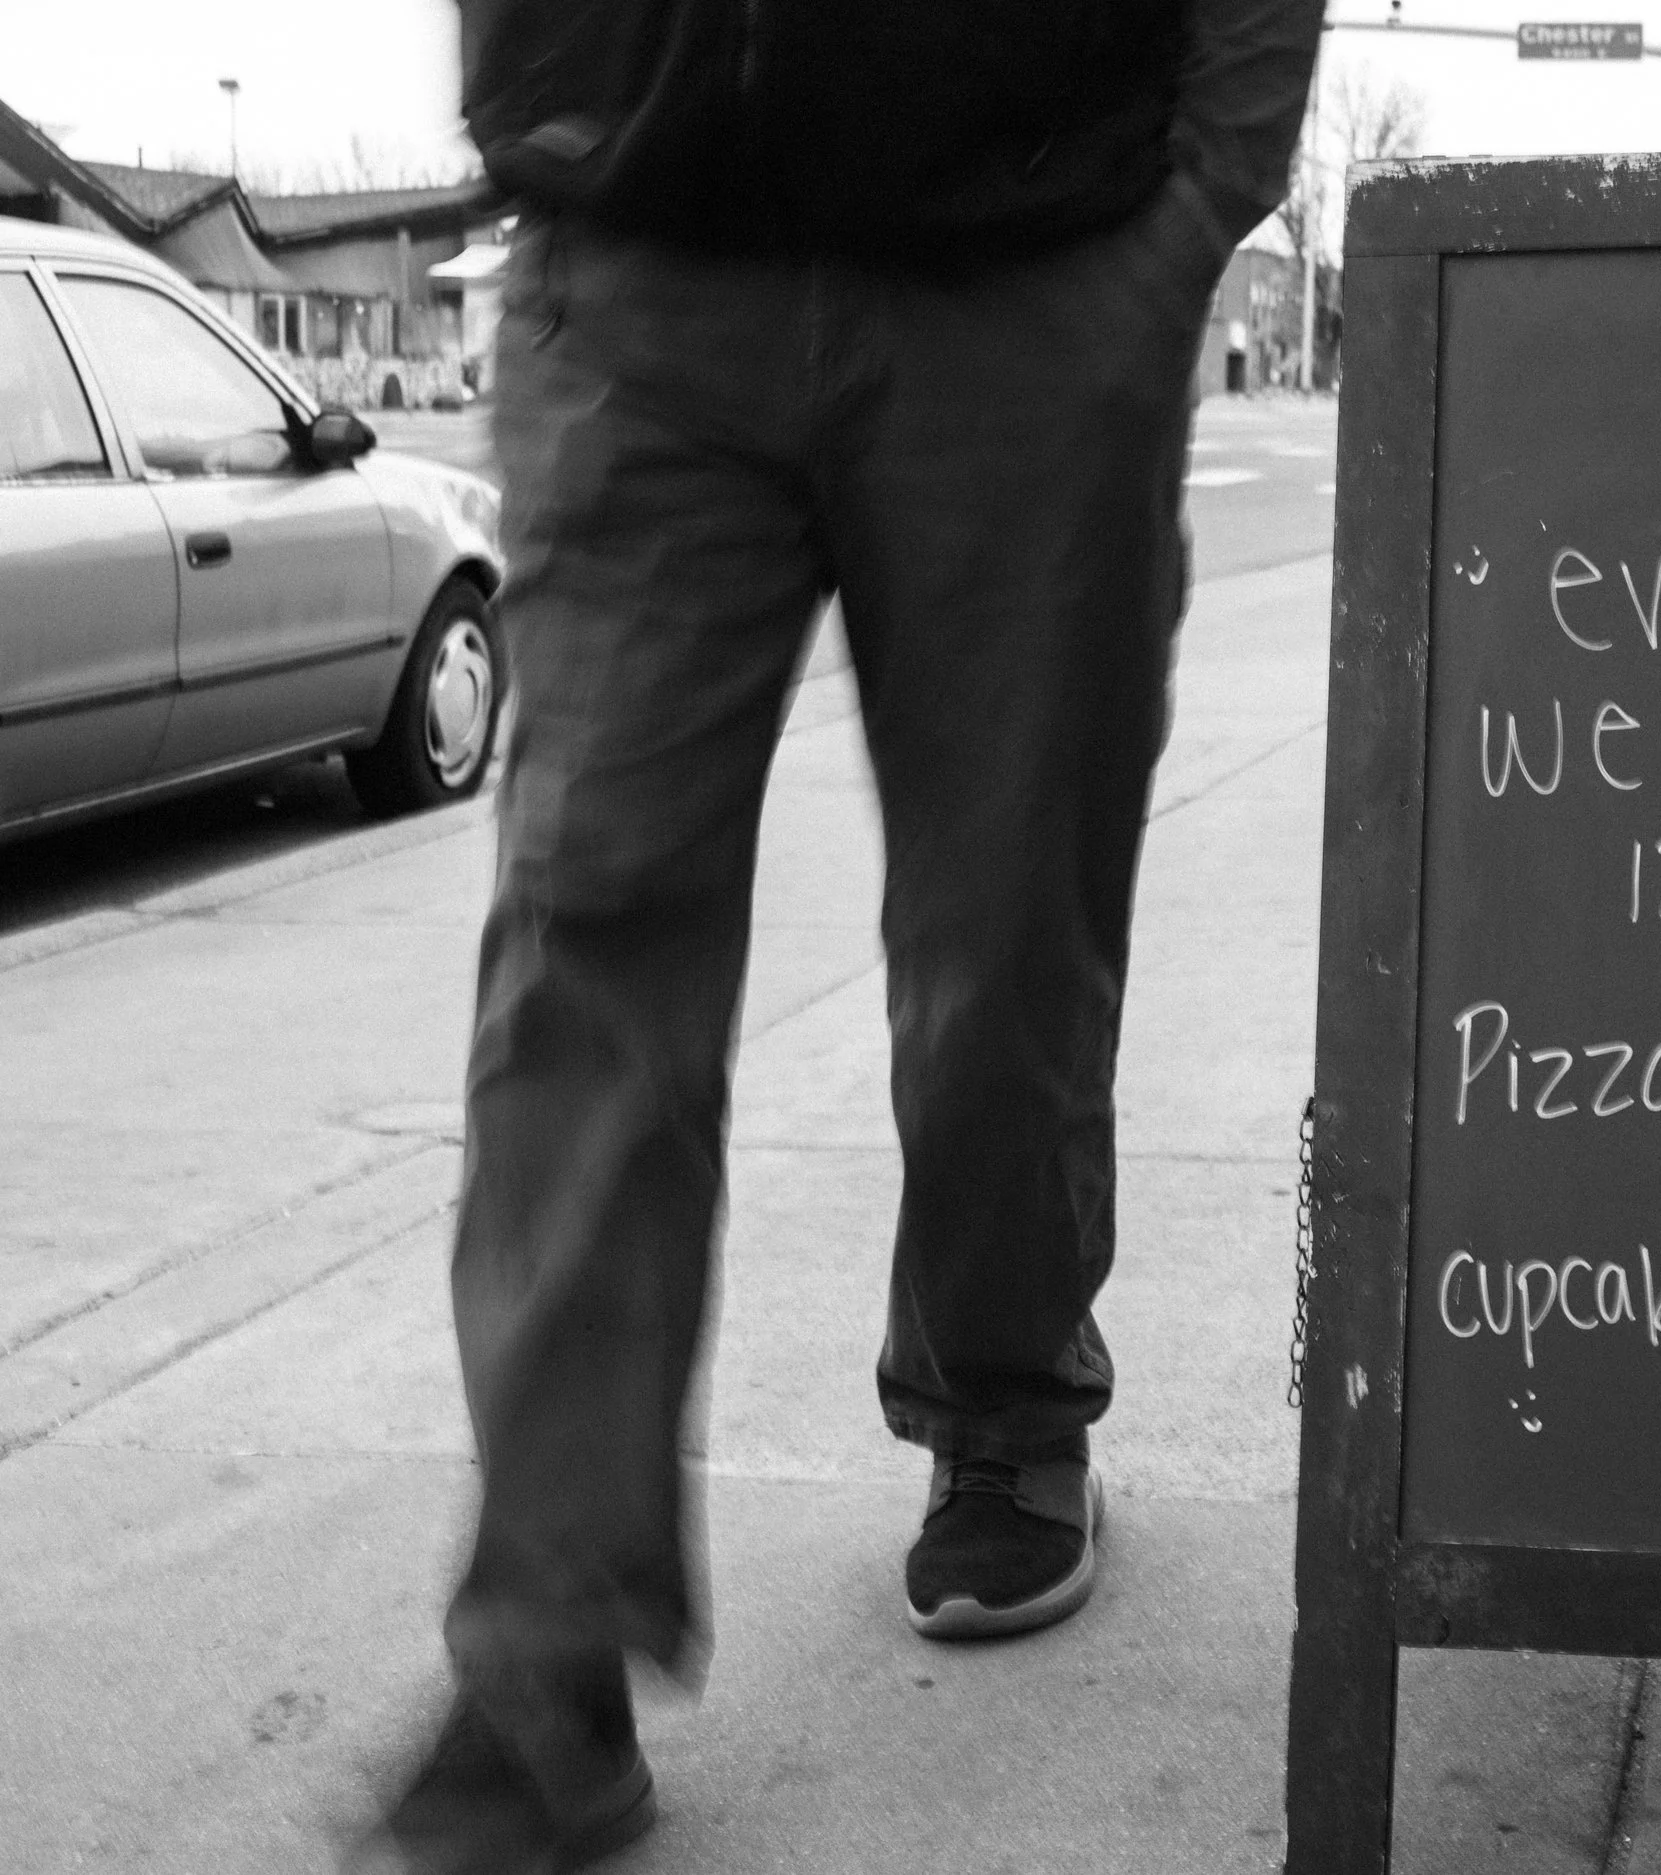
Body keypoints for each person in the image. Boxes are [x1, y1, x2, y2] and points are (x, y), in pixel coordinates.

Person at [349, 3, 1323, 1868]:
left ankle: (1003, 1391)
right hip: (636, 261)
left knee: (1010, 921)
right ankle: (549, 1643)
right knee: (585, 943)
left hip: (1034, 267)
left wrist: (1195, 204)